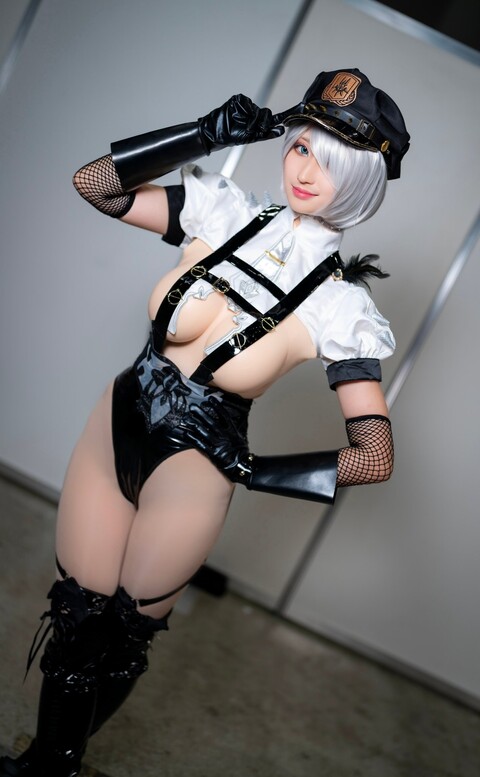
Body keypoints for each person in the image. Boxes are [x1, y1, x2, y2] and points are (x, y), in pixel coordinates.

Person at [1, 68, 410, 776]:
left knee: (119, 637)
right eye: (301, 146)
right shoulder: (222, 210)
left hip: (193, 471)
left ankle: (51, 769)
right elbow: (94, 184)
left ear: (362, 182)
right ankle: (44, 763)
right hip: (116, 424)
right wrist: (203, 134)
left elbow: (374, 455)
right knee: (76, 619)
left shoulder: (342, 308)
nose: (305, 171)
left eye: (331, 162)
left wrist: (255, 470)